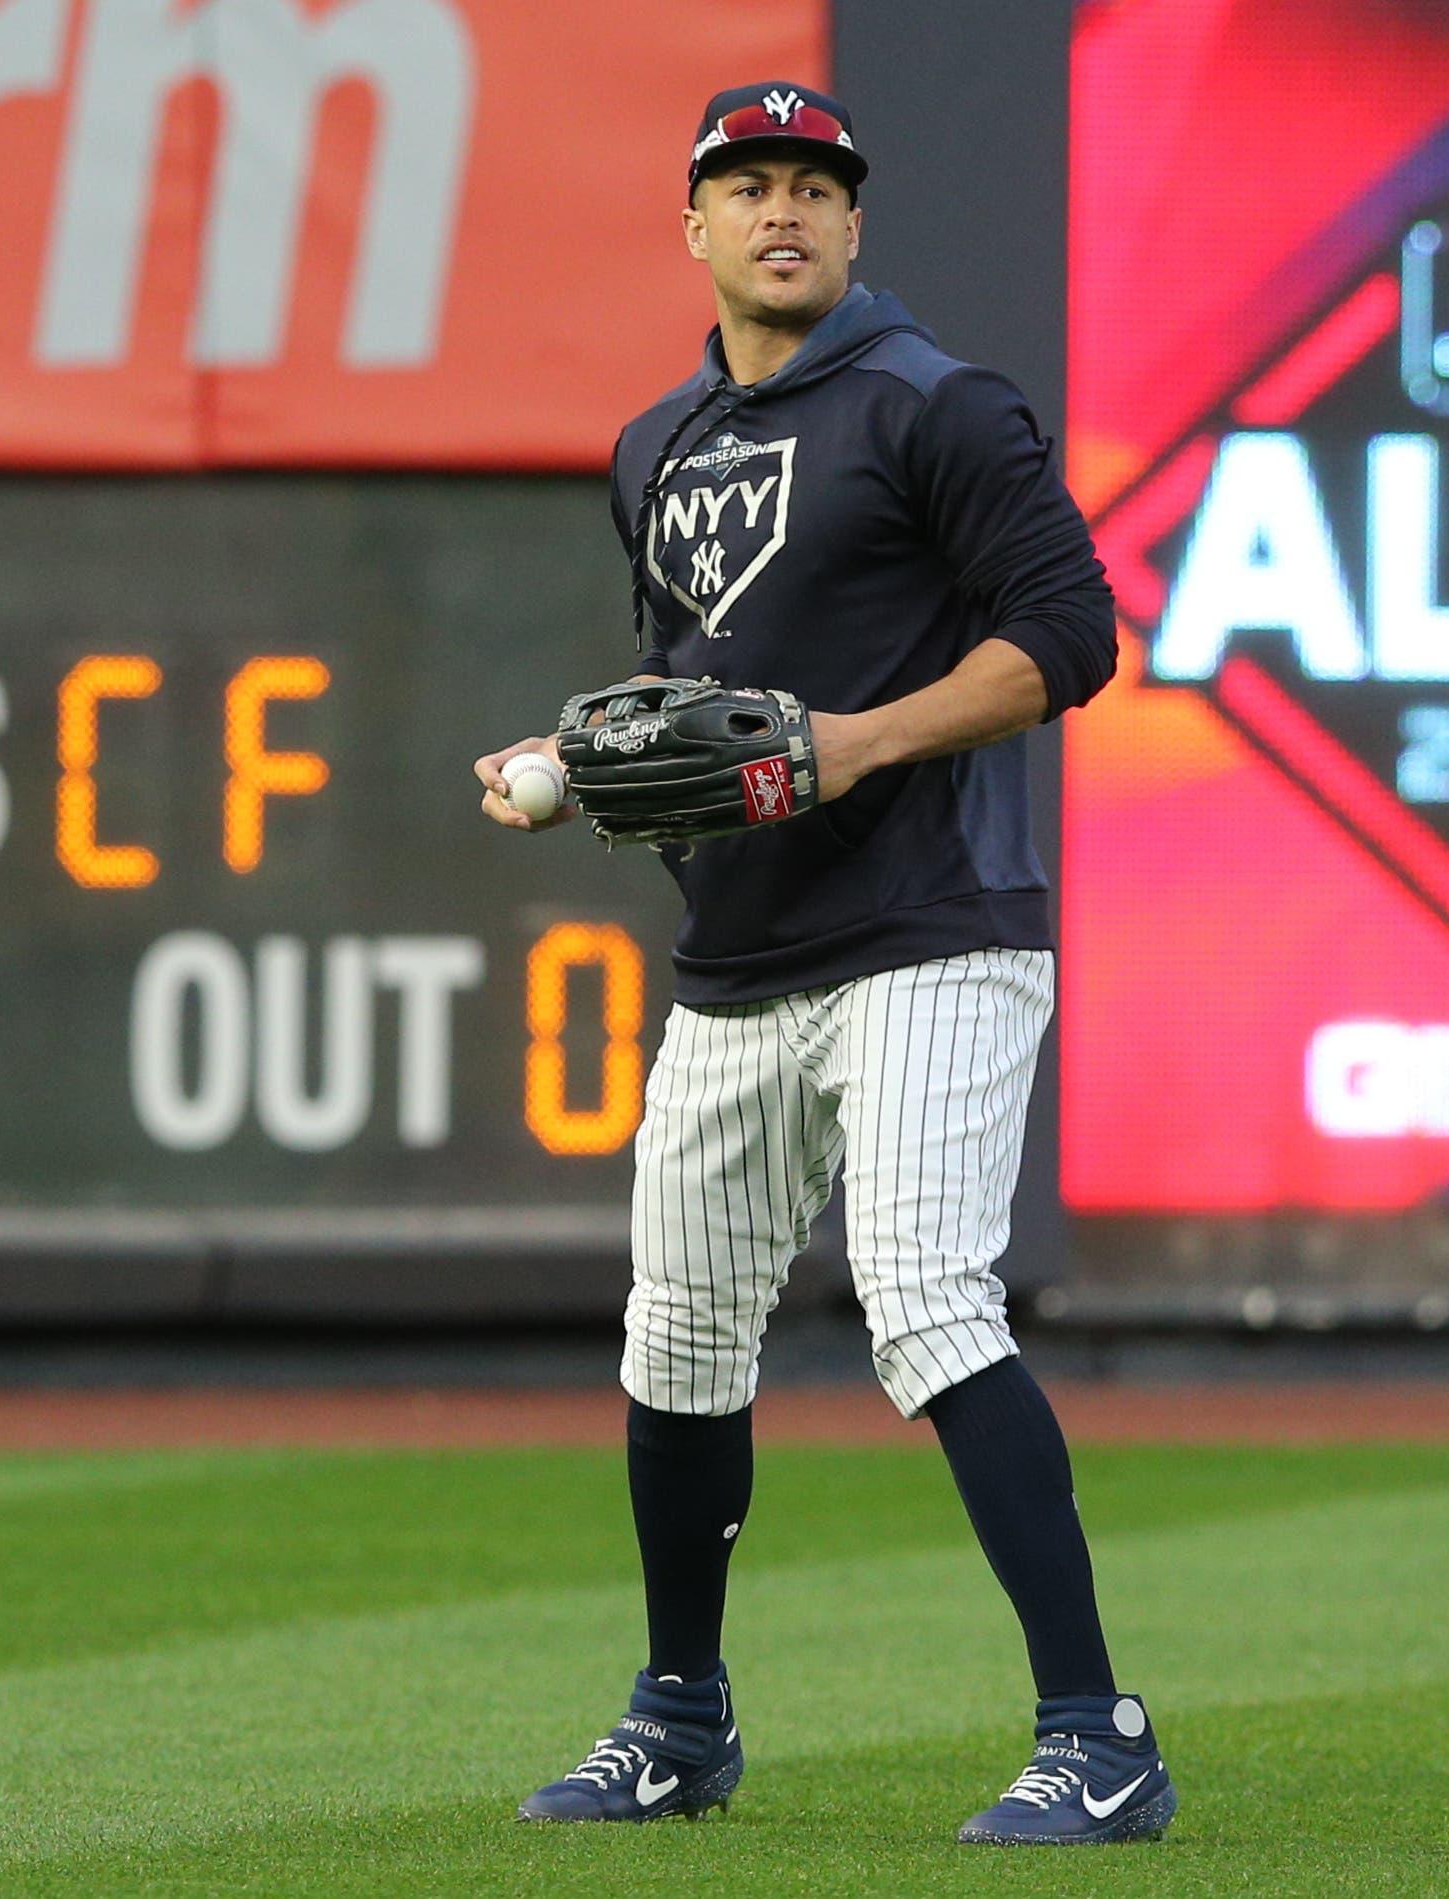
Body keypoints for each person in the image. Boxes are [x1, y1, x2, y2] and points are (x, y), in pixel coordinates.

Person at [472, 81, 1170, 1847]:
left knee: (928, 1297)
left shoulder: (937, 406)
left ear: (854, 226)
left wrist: (862, 744)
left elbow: (1072, 635)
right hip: (740, 952)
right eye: (747, 184)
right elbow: (692, 685)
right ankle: (680, 1717)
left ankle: (1099, 1733)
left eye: (813, 187)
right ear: (691, 225)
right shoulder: (656, 448)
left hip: (936, 927)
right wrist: (575, 769)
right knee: (680, 1339)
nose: (782, 211)